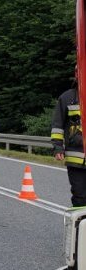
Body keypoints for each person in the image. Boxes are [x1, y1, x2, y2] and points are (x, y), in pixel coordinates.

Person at [51, 65, 86, 207]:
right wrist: (58, 148)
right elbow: (57, 125)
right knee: (80, 197)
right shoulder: (67, 98)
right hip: (76, 158)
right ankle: (79, 227)